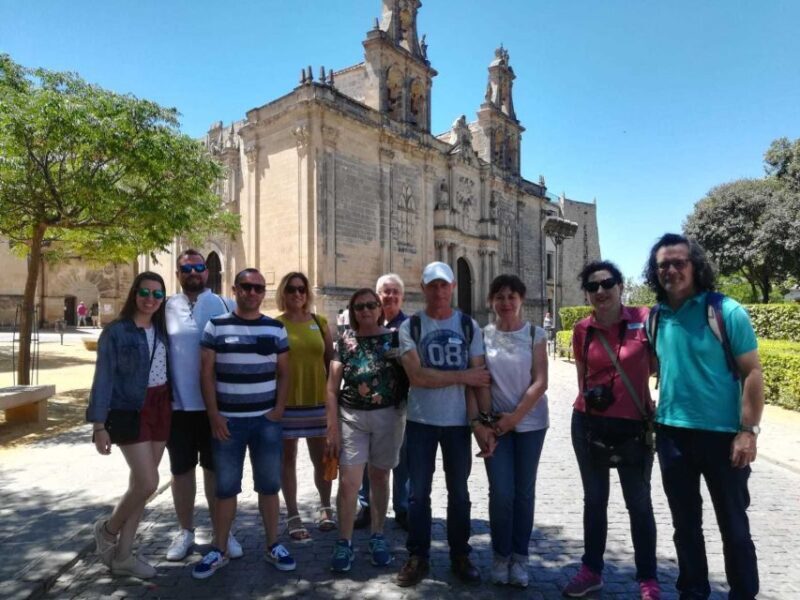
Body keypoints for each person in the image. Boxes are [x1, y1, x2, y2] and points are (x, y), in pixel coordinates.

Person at [644, 233, 763, 600]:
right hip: (672, 435)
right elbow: (658, 367)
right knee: (685, 525)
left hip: (723, 435)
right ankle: (692, 591)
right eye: (664, 264)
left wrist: (748, 431)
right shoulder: (656, 316)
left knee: (734, 526)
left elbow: (753, 373)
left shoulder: (726, 311)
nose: (672, 270)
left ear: (695, 266)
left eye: (680, 262)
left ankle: (743, 593)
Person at [563, 260, 660, 599]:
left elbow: (662, 362)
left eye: (607, 284)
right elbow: (582, 378)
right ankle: (591, 570)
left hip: (634, 426)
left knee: (639, 503)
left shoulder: (645, 319)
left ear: (620, 286)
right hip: (589, 425)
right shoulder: (581, 329)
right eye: (593, 286)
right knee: (595, 501)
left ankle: (648, 579)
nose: (600, 291)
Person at [192, 268, 295, 579]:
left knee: (269, 485)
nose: (252, 293)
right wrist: (213, 415)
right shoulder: (216, 326)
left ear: (264, 293)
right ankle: (219, 549)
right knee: (225, 488)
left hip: (266, 421)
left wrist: (278, 410)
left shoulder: (275, 328)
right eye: (246, 287)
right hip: (228, 423)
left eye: (258, 288)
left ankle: (272, 544)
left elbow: (285, 372)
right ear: (234, 289)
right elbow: (206, 372)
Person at [395, 261, 492, 587]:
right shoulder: (411, 327)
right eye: (432, 285)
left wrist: (484, 424)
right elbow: (417, 377)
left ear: (452, 287)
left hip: (457, 424)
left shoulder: (469, 326)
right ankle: (418, 557)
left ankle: (460, 554)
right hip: (420, 421)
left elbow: (482, 380)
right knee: (418, 494)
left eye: (444, 285)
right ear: (423, 289)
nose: (438, 291)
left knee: (460, 493)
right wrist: (463, 375)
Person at [87, 272, 171, 579]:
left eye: (158, 295)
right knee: (148, 482)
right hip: (131, 409)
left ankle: (123, 556)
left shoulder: (162, 329)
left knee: (139, 487)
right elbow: (103, 379)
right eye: (145, 292)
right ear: (134, 293)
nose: (151, 299)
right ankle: (108, 530)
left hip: (162, 406)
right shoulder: (116, 332)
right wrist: (98, 425)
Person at [164, 249, 242, 562]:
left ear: (207, 272)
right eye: (186, 269)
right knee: (181, 471)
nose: (193, 273)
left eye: (198, 267)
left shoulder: (225, 304)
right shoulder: (166, 307)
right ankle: (185, 532)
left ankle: (223, 532)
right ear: (178, 274)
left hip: (217, 408)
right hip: (178, 407)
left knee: (216, 471)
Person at [325, 287, 407, 572]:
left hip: (387, 417)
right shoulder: (344, 341)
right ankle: (344, 542)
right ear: (352, 311)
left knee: (380, 477)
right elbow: (332, 388)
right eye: (359, 307)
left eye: (371, 305)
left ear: (380, 309)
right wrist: (332, 426)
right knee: (349, 481)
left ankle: (377, 535)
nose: (366, 311)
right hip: (352, 418)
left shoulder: (395, 339)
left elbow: (411, 375)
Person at [482, 274, 549, 588]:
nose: (506, 303)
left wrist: (515, 418)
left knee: (523, 494)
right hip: (496, 425)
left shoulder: (535, 334)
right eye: (500, 297)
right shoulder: (483, 336)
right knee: (501, 493)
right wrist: (489, 424)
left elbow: (541, 381)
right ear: (491, 301)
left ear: (521, 300)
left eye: (511, 297)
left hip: (531, 424)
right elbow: (481, 382)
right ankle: (500, 555)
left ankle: (520, 559)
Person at [276, 271, 336, 540]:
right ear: (283, 293)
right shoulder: (275, 325)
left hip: (317, 400)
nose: (297, 294)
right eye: (291, 289)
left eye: (301, 289)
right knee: (286, 459)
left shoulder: (320, 322)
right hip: (287, 402)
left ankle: (325, 507)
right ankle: (292, 514)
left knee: (321, 457)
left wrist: (333, 400)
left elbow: (331, 362)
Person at [354, 273, 410, 532]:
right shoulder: (364, 326)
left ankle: (402, 507)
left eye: (394, 292)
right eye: (385, 292)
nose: (390, 296)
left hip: (400, 404)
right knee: (368, 459)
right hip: (370, 406)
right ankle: (367, 506)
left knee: (400, 459)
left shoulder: (409, 327)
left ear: (402, 296)